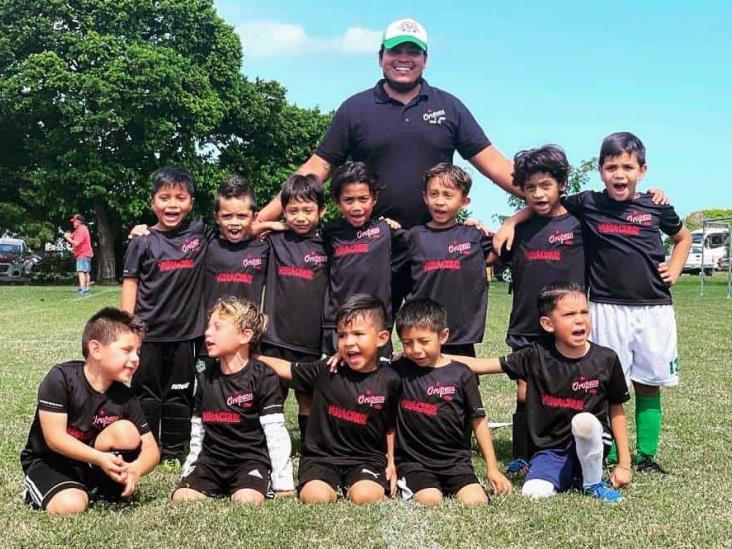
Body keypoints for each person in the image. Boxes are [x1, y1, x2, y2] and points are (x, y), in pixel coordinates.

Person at [255, 17, 518, 309]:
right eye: (395, 51)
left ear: (425, 60)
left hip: (434, 246)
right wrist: (261, 218)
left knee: (432, 342)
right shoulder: (355, 109)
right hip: (371, 247)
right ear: (381, 57)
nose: (403, 59)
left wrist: (545, 195)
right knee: (368, 338)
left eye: (413, 52)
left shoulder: (448, 107)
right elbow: (317, 169)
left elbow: (493, 161)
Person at [496, 133, 692, 473]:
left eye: (628, 167)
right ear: (600, 171)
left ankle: (644, 454)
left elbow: (683, 236)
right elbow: (542, 199)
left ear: (642, 171)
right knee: (596, 384)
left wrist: (674, 268)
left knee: (648, 381)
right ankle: (580, 449)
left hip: (654, 307)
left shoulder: (654, 205)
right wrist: (511, 221)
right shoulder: (587, 203)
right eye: (611, 167)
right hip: (605, 306)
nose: (619, 174)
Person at [449, 283, 632, 502]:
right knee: (534, 492)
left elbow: (617, 409)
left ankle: (592, 482)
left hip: (591, 441)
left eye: (584, 312)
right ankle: (573, 477)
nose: (580, 319)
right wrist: (435, 358)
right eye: (569, 314)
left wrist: (624, 464)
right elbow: (482, 365)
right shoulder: (534, 356)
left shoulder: (606, 359)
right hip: (550, 449)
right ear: (547, 324)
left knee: (584, 422)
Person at [257, 295, 401, 505]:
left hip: (367, 459)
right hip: (321, 459)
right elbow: (286, 369)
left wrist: (391, 462)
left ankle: (359, 482)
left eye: (358, 334)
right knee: (315, 497)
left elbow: (390, 427)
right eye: (342, 335)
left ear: (382, 338)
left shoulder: (391, 379)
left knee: (366, 497)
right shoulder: (328, 370)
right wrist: (246, 355)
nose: (349, 342)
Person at [497, 146, 585, 475]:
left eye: (545, 185)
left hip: (566, 327)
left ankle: (568, 450)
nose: (538, 193)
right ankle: (523, 452)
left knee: (566, 390)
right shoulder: (517, 231)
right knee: (525, 391)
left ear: (562, 184)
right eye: (530, 187)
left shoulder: (580, 223)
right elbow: (491, 258)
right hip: (526, 325)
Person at [20, 307, 159, 514]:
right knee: (72, 506)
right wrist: (100, 458)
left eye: (138, 351)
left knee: (127, 432)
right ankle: (37, 488)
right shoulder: (62, 379)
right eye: (127, 350)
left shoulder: (125, 395)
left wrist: (135, 469)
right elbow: (54, 438)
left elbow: (152, 450)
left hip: (92, 466)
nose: (136, 358)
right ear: (96, 350)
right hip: (52, 462)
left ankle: (94, 485)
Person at [121, 166, 208, 468]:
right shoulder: (141, 241)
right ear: (152, 202)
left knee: (180, 393)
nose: (172, 205)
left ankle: (174, 449)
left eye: (180, 198)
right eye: (164, 197)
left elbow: (242, 223)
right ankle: (147, 448)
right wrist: (126, 327)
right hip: (149, 334)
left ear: (191, 202)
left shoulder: (200, 234)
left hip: (186, 335)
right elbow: (131, 282)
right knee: (146, 393)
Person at [173, 298, 293, 505]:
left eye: (217, 327)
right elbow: (197, 429)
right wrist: (189, 469)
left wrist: (283, 483)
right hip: (211, 463)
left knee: (247, 500)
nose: (208, 333)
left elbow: (276, 433)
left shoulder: (263, 377)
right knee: (182, 497)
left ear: (245, 336)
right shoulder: (205, 376)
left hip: (249, 462)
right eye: (208, 326)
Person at [391, 299, 512, 505]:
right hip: (414, 463)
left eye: (424, 341)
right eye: (407, 343)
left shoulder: (462, 374)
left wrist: (492, 468)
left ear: (443, 336)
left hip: (456, 463)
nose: (416, 350)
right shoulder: (397, 372)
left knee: (476, 501)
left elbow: (479, 421)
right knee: (430, 499)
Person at [259, 174, 328, 440]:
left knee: (307, 395)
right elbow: (247, 229)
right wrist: (270, 225)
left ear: (321, 210)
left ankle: (309, 446)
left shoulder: (327, 244)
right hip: (275, 334)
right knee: (272, 394)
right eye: (293, 210)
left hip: (310, 337)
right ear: (284, 210)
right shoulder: (275, 241)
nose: (300, 217)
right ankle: (267, 444)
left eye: (308, 210)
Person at [403, 163, 492, 357]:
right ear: (425, 197)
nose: (440, 201)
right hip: (423, 331)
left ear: (464, 201)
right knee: (420, 384)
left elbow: (502, 251)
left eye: (448, 195)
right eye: (434, 194)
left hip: (462, 334)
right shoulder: (412, 237)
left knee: (461, 382)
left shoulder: (475, 235)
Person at [321, 162, 407, 357]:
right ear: (337, 201)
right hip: (336, 323)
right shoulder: (330, 233)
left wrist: (470, 226)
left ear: (374, 198)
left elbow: (426, 241)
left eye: (363, 199)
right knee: (334, 381)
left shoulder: (386, 230)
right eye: (348, 200)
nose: (357, 207)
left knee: (377, 384)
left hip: (375, 323)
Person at [202, 174, 269, 314]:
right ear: (216, 217)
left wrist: (277, 226)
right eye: (226, 216)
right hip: (212, 330)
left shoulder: (265, 249)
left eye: (242, 216)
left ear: (254, 217)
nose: (234, 222)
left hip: (248, 331)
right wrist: (144, 230)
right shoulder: (206, 244)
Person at [64, 213, 94, 295]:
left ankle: (83, 289)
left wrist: (67, 238)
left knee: (81, 271)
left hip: (83, 254)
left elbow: (76, 243)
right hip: (86, 253)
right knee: (86, 271)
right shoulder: (79, 230)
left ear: (78, 222)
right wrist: (69, 236)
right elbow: (72, 236)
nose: (73, 223)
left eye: (74, 222)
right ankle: (87, 289)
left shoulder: (81, 230)